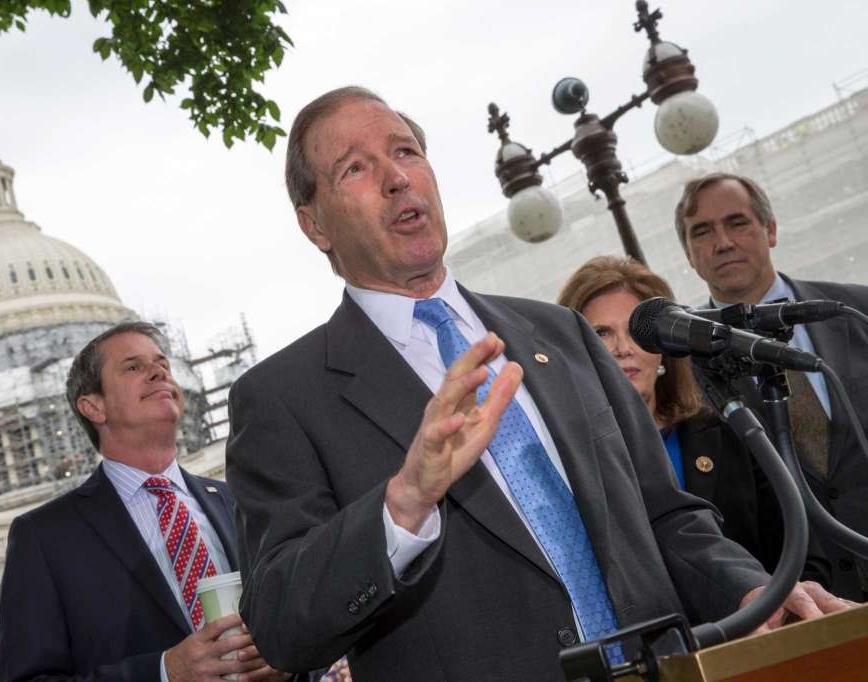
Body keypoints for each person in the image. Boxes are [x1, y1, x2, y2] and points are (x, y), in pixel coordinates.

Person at [224, 87, 848, 681]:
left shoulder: (561, 334)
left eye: (406, 150)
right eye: (355, 168)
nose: (397, 177)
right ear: (315, 225)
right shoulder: (281, 399)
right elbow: (280, 626)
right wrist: (404, 504)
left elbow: (665, 516)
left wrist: (750, 587)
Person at [0, 321, 290, 681]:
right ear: (94, 407)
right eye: (133, 367)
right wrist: (164, 673)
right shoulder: (45, 538)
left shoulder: (237, 502)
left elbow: (301, 625)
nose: (158, 372)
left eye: (162, 363)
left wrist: (287, 662)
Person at [557, 255, 829, 583]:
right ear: (574, 350)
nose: (623, 348)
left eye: (634, 330)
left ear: (663, 347)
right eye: (601, 333)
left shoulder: (728, 428)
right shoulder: (570, 460)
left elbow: (802, 555)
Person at [676, 172, 868, 601]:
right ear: (689, 255)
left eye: (737, 222)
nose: (722, 242)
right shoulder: (687, 369)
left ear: (772, 230)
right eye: (702, 232)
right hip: (808, 607)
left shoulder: (854, 311)